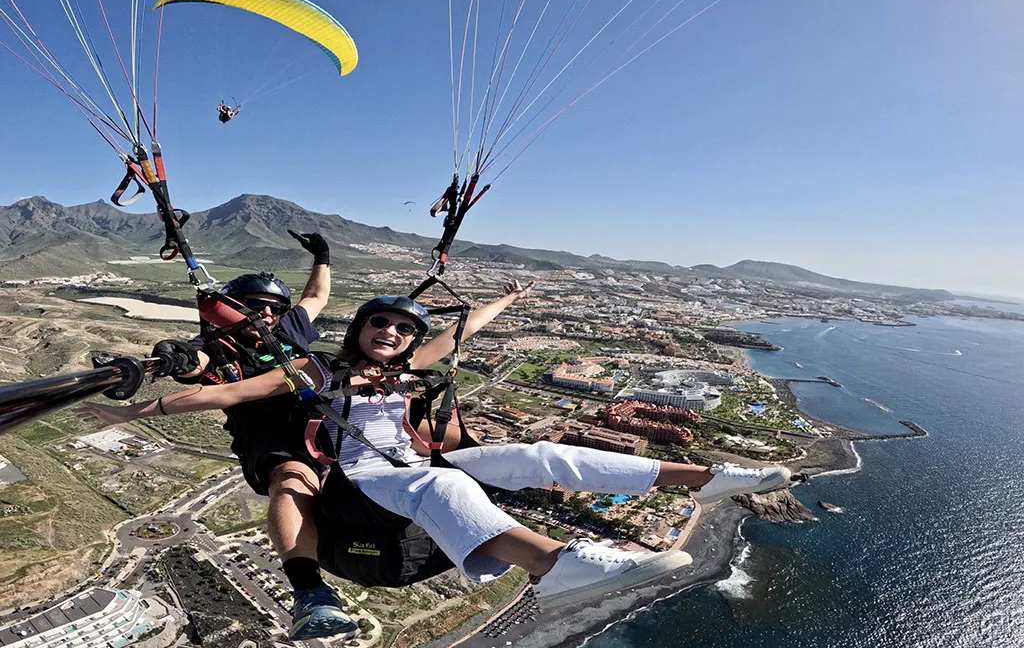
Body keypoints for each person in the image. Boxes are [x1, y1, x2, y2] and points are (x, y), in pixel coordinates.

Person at [81, 284, 790, 611]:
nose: (389, 332)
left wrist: (508, 300)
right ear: (359, 328)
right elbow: (225, 395)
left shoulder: (409, 371)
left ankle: (706, 478)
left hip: (415, 461)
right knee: (445, 490)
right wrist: (140, 394)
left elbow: (463, 331)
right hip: (361, 477)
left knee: (539, 456)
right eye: (378, 323)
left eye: (399, 327)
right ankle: (557, 569)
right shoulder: (318, 371)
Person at [149, 230, 351, 640]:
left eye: (275, 308)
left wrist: (323, 257)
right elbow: (196, 362)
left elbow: (316, 298)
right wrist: (179, 359)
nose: (268, 316)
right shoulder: (219, 344)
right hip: (267, 432)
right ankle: (310, 592)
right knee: (291, 479)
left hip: (322, 421)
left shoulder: (289, 330)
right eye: (257, 308)